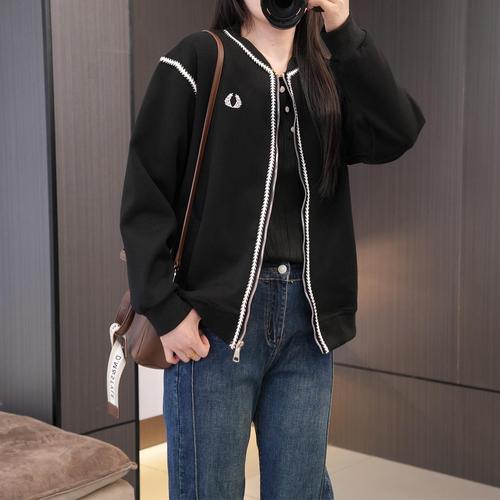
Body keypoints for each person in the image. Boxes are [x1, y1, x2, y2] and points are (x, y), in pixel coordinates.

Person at [119, 0, 426, 498]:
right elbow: (145, 191)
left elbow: (399, 130)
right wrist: (167, 310)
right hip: (214, 328)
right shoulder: (198, 59)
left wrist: (342, 26)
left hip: (309, 326)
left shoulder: (326, 77)